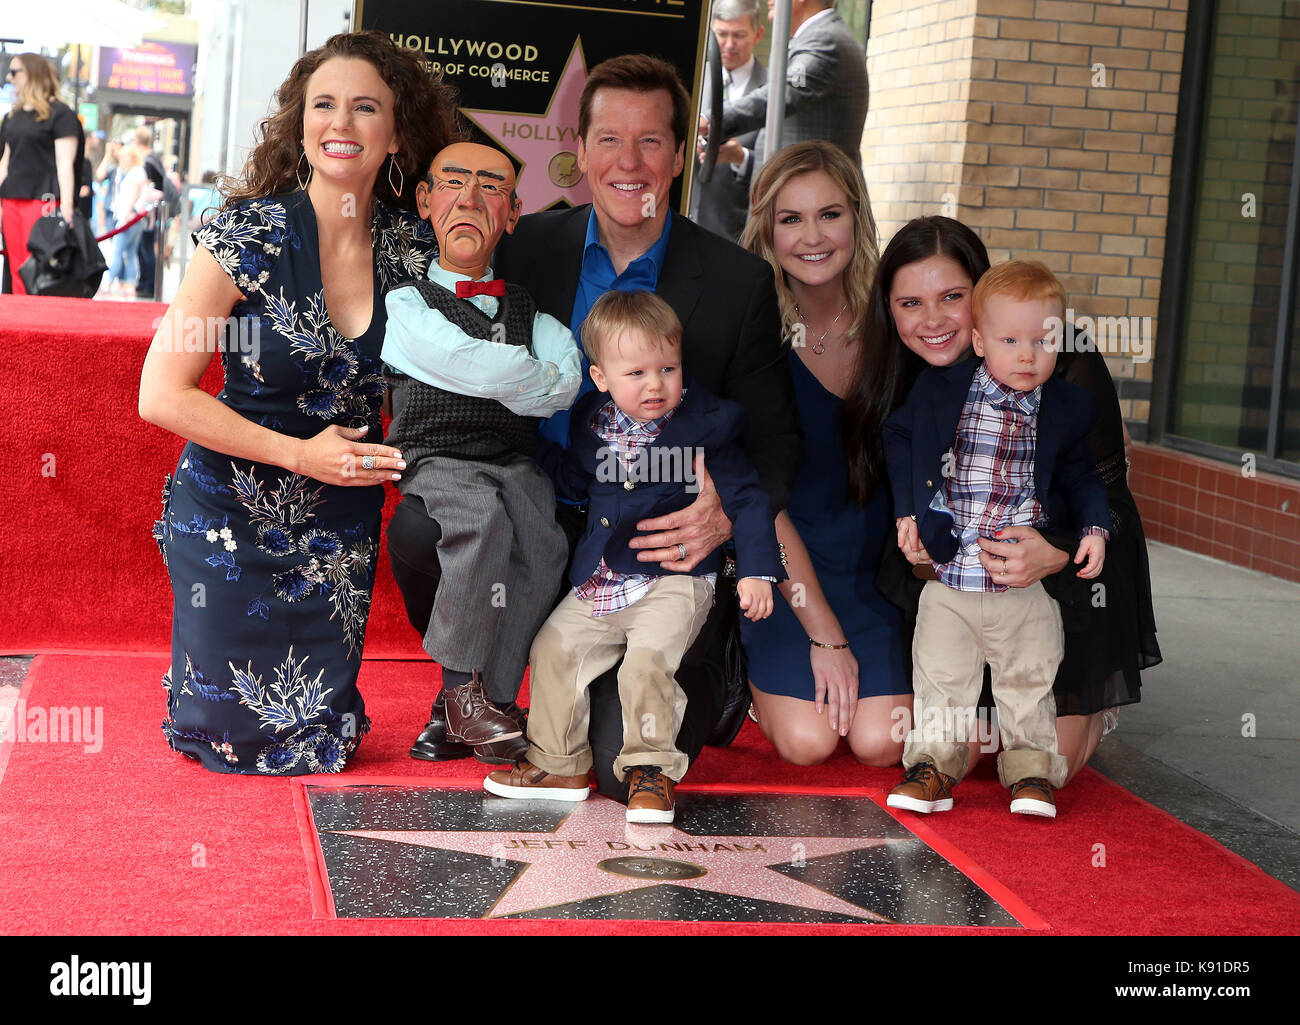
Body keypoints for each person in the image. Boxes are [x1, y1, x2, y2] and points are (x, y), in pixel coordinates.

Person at [385, 53, 802, 796]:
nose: (629, 162)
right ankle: (471, 688)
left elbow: (775, 441)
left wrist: (721, 515)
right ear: (579, 153)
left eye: (651, 142)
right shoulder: (527, 246)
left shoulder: (737, 284)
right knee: (423, 526)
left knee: (616, 766)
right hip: (537, 507)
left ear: (681, 155)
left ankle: (705, 676)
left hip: (655, 545)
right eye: (609, 139)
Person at [138, 31, 456, 774]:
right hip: (226, 511)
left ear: (397, 132)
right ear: (300, 121)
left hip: (337, 527)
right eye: (324, 105)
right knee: (230, 738)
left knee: (326, 744)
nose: (341, 123)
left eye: (365, 107)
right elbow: (160, 393)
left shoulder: (417, 251)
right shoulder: (241, 236)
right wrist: (300, 453)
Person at [846, 216, 1162, 786]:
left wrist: (1059, 551)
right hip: (958, 582)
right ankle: (968, 713)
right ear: (889, 310)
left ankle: (1070, 711)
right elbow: (899, 480)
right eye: (911, 303)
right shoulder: (908, 378)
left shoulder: (1064, 364)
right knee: (920, 748)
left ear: (985, 296)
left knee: (1055, 761)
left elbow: (1113, 504)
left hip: (1061, 583)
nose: (933, 320)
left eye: (953, 297)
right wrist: (914, 529)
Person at [485, 289, 782, 822]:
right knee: (554, 647)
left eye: (668, 369)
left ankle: (651, 771)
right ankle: (558, 763)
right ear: (600, 378)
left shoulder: (706, 427)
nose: (655, 385)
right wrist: (522, 444)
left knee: (646, 662)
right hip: (606, 577)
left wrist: (758, 570)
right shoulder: (592, 422)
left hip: (676, 579)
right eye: (636, 373)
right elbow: (578, 480)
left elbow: (746, 499)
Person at [883, 261, 1111, 819]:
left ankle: (1031, 772)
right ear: (980, 341)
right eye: (1010, 341)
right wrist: (909, 510)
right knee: (940, 679)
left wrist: (1093, 528)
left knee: (1029, 681)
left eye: (1042, 341)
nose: (1027, 355)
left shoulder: (1067, 408)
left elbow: (1085, 477)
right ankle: (934, 767)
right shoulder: (942, 392)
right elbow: (899, 435)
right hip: (952, 574)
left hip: (1021, 583)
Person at [381, 141, 582, 760]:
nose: (469, 199)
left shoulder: (535, 314)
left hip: (514, 463)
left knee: (543, 542)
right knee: (480, 522)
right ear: (425, 201)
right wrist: (522, 377)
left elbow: (566, 384)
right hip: (437, 458)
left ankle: (484, 704)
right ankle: (458, 691)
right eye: (453, 183)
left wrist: (513, 379)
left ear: (514, 213)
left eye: (491, 187)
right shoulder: (406, 304)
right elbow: (462, 360)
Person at [739, 140, 910, 765]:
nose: (813, 236)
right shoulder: (751, 338)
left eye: (830, 214)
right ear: (768, 230)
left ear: (857, 221)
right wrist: (823, 632)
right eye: (791, 219)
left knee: (881, 742)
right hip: (787, 569)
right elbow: (757, 497)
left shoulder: (898, 325)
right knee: (810, 745)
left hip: (877, 576)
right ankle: (754, 678)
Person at [705, 0, 867, 173]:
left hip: (812, 194)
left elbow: (781, 95)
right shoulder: (822, 37)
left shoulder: (825, 39)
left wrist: (709, 120)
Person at [0, 53, 85, 295]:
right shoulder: (13, 116)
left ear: (32, 74)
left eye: (15, 72)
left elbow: (64, 163)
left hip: (43, 199)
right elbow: (5, 161)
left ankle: (36, 322)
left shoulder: (60, 113)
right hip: (12, 198)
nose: (9, 77)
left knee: (39, 267)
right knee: (16, 265)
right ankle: (18, 324)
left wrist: (68, 205)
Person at [689, 0, 767, 241]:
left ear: (758, 34)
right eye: (722, 34)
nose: (729, 45)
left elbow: (781, 161)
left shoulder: (774, 91)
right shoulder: (691, 77)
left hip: (735, 234)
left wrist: (742, 158)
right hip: (682, 222)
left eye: (739, 35)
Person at [104, 142, 148, 299]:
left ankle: (109, 282)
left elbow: (132, 196)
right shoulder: (137, 172)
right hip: (133, 219)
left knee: (118, 252)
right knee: (129, 254)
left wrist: (124, 217)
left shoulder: (135, 173)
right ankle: (130, 285)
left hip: (128, 219)